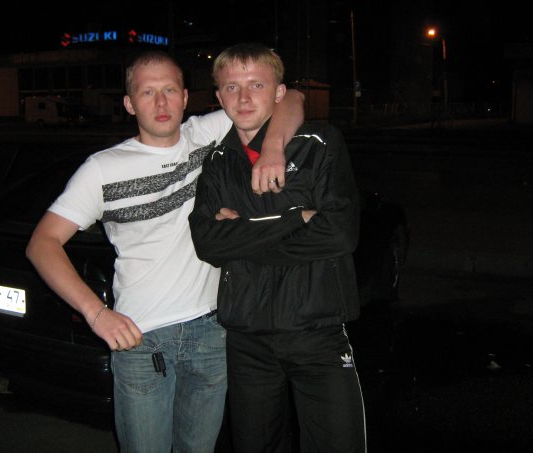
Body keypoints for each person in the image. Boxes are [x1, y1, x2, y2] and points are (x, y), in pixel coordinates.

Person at [25, 49, 305, 453]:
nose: (160, 103)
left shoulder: (202, 134)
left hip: (211, 332)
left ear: (186, 97)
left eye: (170, 90)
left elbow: (291, 97)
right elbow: (42, 243)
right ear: (129, 103)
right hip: (141, 340)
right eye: (147, 92)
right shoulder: (102, 169)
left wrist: (275, 147)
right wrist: (96, 313)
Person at [189, 42, 366, 453]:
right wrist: (295, 218)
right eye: (231, 87)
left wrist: (242, 237)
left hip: (317, 334)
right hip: (247, 341)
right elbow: (208, 243)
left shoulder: (319, 143)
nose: (244, 98)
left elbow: (340, 234)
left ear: (279, 92)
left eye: (257, 85)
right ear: (218, 97)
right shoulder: (217, 162)